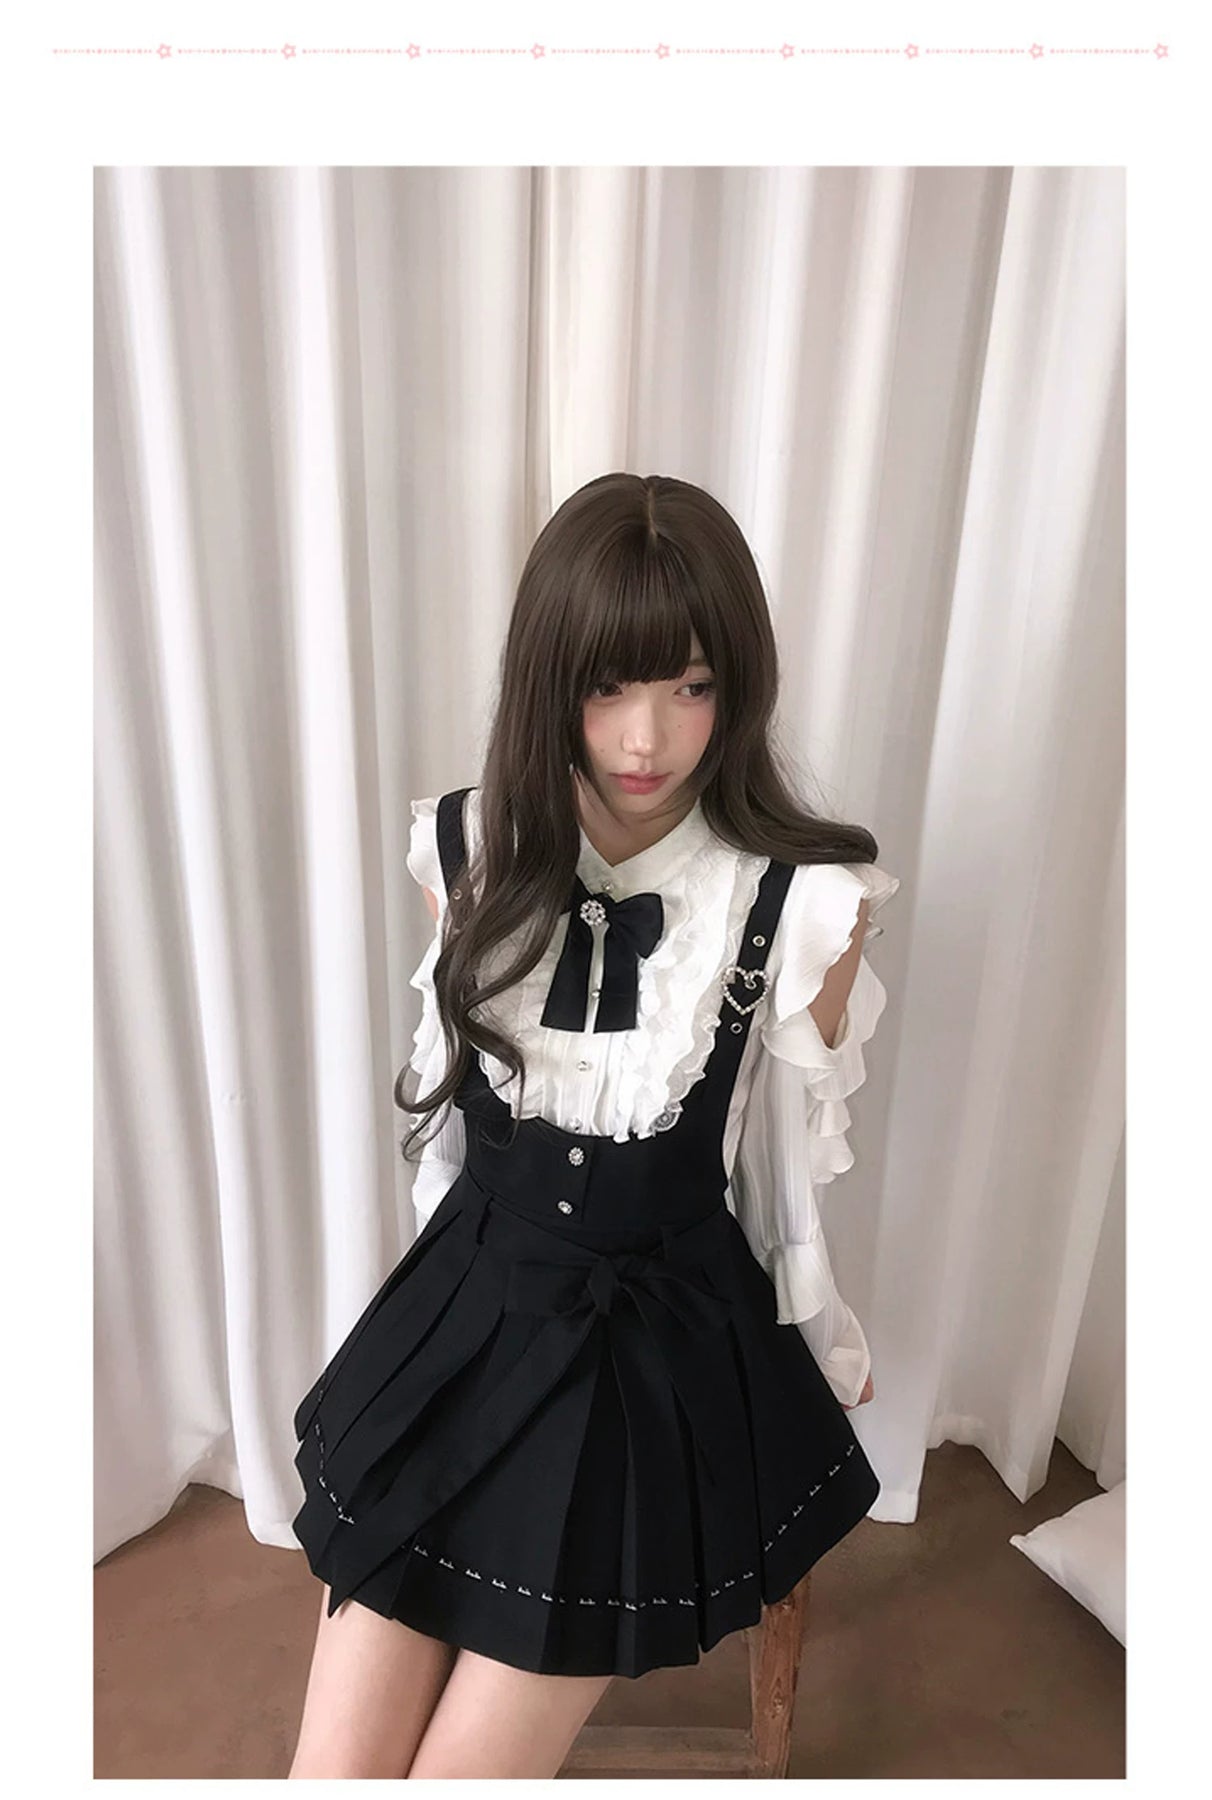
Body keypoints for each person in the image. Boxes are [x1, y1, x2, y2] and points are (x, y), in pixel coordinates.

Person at [287, 473, 900, 1778]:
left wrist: (824, 1327)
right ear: (549, 678)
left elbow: (781, 1166)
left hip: (645, 1365)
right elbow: (453, 1129)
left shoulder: (801, 903)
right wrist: (424, 1331)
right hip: (470, 1317)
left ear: (739, 685)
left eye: (691, 685)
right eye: (608, 685)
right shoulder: (466, 845)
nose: (646, 735)